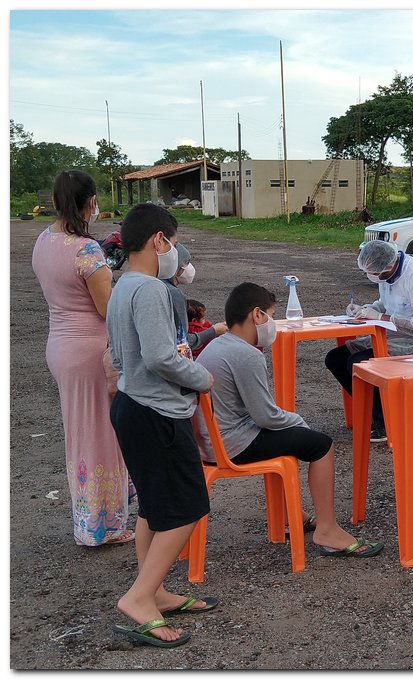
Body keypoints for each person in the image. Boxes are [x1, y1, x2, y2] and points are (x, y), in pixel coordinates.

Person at [197, 282, 383, 558]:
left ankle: (291, 514)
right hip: (234, 444)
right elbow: (265, 416)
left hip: (212, 442)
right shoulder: (246, 354)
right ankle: (328, 529)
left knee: (291, 439)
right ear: (257, 315)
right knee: (321, 445)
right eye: (271, 315)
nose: (272, 323)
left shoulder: (218, 345)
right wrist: (297, 420)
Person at [107, 203, 218, 648]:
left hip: (132, 406)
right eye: (171, 241)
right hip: (156, 412)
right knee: (189, 506)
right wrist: (202, 378)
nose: (174, 251)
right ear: (158, 240)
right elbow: (159, 355)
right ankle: (137, 598)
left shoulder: (121, 286)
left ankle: (153, 592)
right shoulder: (150, 289)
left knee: (154, 507)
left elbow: (120, 355)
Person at [31, 169, 133, 547]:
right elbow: (108, 309)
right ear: (92, 202)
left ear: (56, 202)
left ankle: (96, 518)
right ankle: (101, 526)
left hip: (60, 345)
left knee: (82, 433)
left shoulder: (44, 240)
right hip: (91, 350)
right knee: (100, 436)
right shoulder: (86, 249)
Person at [324, 240, 413, 442]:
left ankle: (385, 421)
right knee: (335, 358)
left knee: (358, 363)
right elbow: (385, 305)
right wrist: (366, 309)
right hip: (391, 335)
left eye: (372, 272)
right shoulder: (388, 276)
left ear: (387, 266)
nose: (370, 276)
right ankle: (374, 413)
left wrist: (379, 318)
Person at [162, 243, 225, 359]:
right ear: (176, 265)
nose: (189, 267)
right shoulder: (173, 293)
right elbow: (182, 342)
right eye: (186, 263)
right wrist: (213, 331)